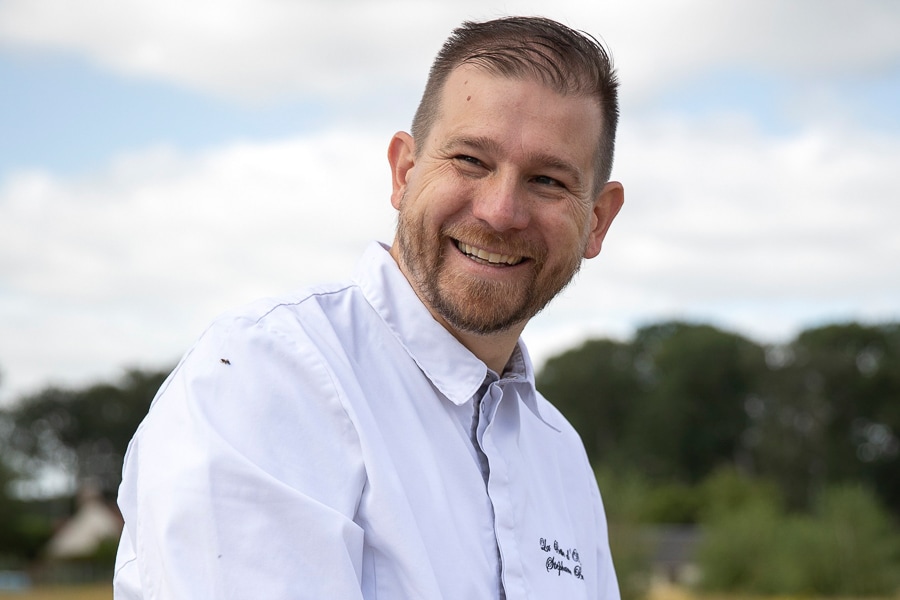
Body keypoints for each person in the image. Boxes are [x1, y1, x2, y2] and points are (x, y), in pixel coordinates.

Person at [113, 15, 625, 599]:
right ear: (404, 172)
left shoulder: (558, 453)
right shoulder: (265, 378)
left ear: (598, 220)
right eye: (469, 161)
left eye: (548, 180)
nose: (500, 210)